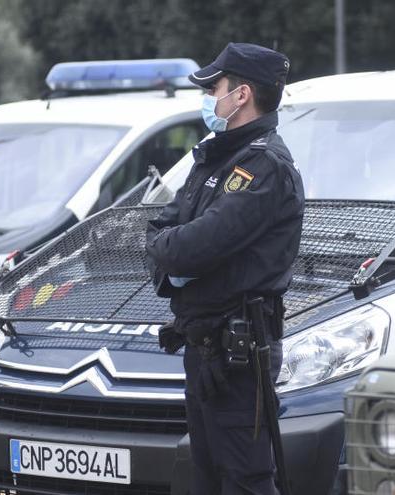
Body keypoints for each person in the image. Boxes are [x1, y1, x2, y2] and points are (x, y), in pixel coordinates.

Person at [144, 42, 304, 495]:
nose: (208, 96)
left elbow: (189, 245)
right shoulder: (216, 155)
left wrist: (174, 256)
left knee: (245, 480)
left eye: (214, 87)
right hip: (204, 346)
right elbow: (162, 226)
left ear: (241, 95)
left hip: (240, 354)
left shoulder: (263, 165)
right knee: (207, 477)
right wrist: (174, 258)